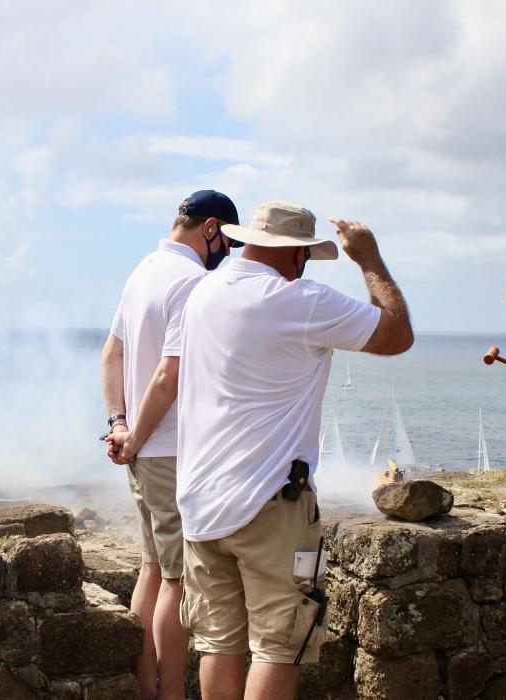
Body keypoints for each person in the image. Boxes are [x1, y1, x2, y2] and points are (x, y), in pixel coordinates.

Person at [176, 201, 413, 700]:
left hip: (199, 500)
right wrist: (369, 260)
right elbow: (396, 334)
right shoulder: (299, 300)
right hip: (271, 503)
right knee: (280, 644)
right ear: (296, 254)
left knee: (217, 642)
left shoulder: (202, 293)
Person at [100, 189, 240, 700]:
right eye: (229, 242)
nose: (229, 254)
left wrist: (119, 424)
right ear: (210, 228)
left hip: (142, 451)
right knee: (180, 581)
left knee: (153, 570)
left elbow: (112, 353)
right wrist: (135, 435)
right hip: (171, 450)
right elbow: (169, 375)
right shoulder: (192, 281)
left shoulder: (144, 269)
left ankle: (146, 687)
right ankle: (172, 694)